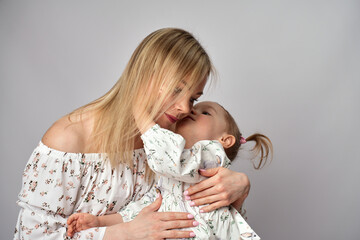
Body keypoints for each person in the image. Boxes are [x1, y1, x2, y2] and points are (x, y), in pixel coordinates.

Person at [14, 28, 251, 240]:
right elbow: (32, 236)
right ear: (145, 75)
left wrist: (239, 187)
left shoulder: (172, 142)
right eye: (176, 89)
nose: (185, 108)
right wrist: (123, 233)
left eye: (193, 98)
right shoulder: (68, 140)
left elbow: (207, 221)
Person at [67, 101, 273, 239]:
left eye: (206, 112)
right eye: (195, 106)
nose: (192, 110)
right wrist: (100, 222)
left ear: (225, 140)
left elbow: (176, 161)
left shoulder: (213, 155)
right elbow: (141, 210)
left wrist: (143, 119)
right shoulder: (168, 178)